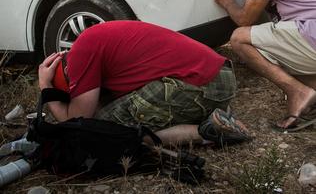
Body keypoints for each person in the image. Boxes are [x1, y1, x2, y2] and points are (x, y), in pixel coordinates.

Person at [38, 20, 250, 146]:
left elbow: (77, 122)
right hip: (220, 77)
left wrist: (46, 86)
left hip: (200, 84)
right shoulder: (100, 38)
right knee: (113, 112)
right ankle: (214, 114)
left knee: (102, 132)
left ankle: (206, 132)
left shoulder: (80, 54)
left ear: (65, 70)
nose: (76, 95)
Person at [213, 0, 316, 131]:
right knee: (266, 42)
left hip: (310, 34)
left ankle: (298, 92)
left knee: (240, 37)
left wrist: (227, 1)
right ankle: (310, 90)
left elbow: (245, 20)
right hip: (309, 35)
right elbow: (268, 11)